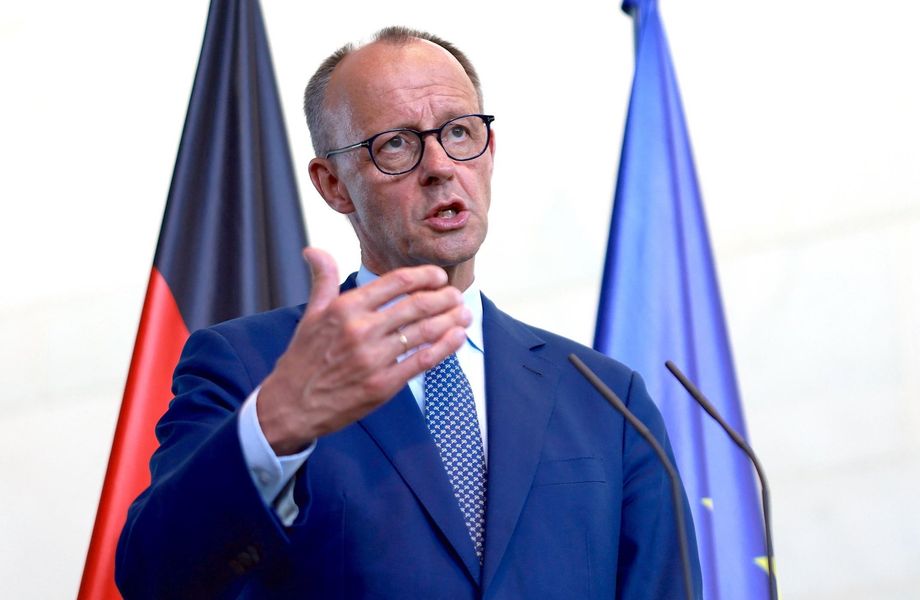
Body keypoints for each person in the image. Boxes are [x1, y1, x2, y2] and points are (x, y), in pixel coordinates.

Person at [116, 26, 701, 599]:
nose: (440, 165)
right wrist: (275, 426)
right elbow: (153, 576)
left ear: (490, 151)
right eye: (396, 143)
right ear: (333, 185)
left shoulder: (607, 397)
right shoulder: (251, 368)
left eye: (460, 132)